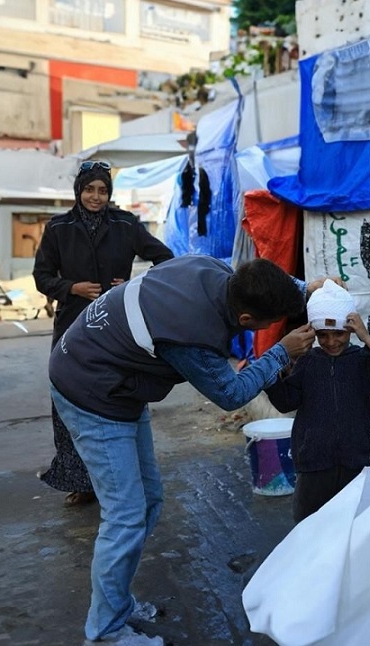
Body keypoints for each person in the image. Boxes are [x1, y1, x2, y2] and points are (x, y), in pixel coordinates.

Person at [48, 253, 323, 645]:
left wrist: (305, 288)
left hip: (112, 374)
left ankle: (116, 605)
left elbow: (260, 280)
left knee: (146, 503)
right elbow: (231, 394)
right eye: (268, 321)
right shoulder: (191, 336)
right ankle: (105, 631)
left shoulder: (212, 269)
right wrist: (280, 352)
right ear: (246, 321)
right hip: (90, 389)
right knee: (126, 516)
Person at [33, 160, 174, 506]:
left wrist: (135, 285)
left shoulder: (126, 225)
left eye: (102, 190)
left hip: (116, 326)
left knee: (119, 393)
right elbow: (41, 276)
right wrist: (72, 288)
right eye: (89, 189)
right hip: (70, 325)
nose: (96, 197)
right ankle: (79, 480)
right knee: (68, 395)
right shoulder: (59, 228)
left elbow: (166, 259)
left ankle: (121, 473)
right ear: (78, 191)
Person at [265, 279, 370, 523]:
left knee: (349, 525)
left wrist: (367, 338)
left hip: (355, 461)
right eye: (323, 335)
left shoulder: (364, 360)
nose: (332, 342)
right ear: (313, 333)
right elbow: (286, 402)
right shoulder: (307, 362)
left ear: (351, 329)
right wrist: (272, 373)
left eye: (339, 333)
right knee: (309, 526)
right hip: (313, 464)